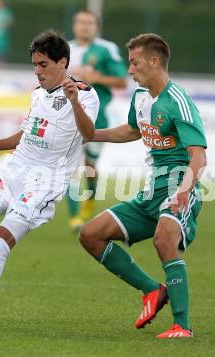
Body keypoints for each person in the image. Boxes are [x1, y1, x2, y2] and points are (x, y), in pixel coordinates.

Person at [0, 30, 99, 326]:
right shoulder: (37, 94)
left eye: (43, 65)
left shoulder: (84, 93)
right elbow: (27, 134)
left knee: (3, 240)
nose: (37, 71)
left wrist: (75, 102)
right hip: (14, 168)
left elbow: (88, 134)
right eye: (35, 65)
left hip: (46, 181)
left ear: (62, 62)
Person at [79, 33, 207, 338]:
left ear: (154, 61)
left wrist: (183, 192)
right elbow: (132, 130)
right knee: (91, 235)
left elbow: (198, 156)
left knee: (164, 240)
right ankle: (152, 290)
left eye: (134, 63)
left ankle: (182, 326)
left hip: (178, 186)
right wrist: (92, 134)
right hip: (151, 191)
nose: (129, 70)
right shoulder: (140, 97)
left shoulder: (178, 102)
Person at [67, 10, 127, 232]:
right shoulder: (64, 48)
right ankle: (75, 218)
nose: (85, 26)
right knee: (68, 165)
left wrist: (96, 78)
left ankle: (89, 199)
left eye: (89, 23)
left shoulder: (106, 49)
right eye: (81, 22)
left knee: (90, 166)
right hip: (67, 114)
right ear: (74, 25)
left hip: (97, 117)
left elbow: (122, 80)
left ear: (97, 27)